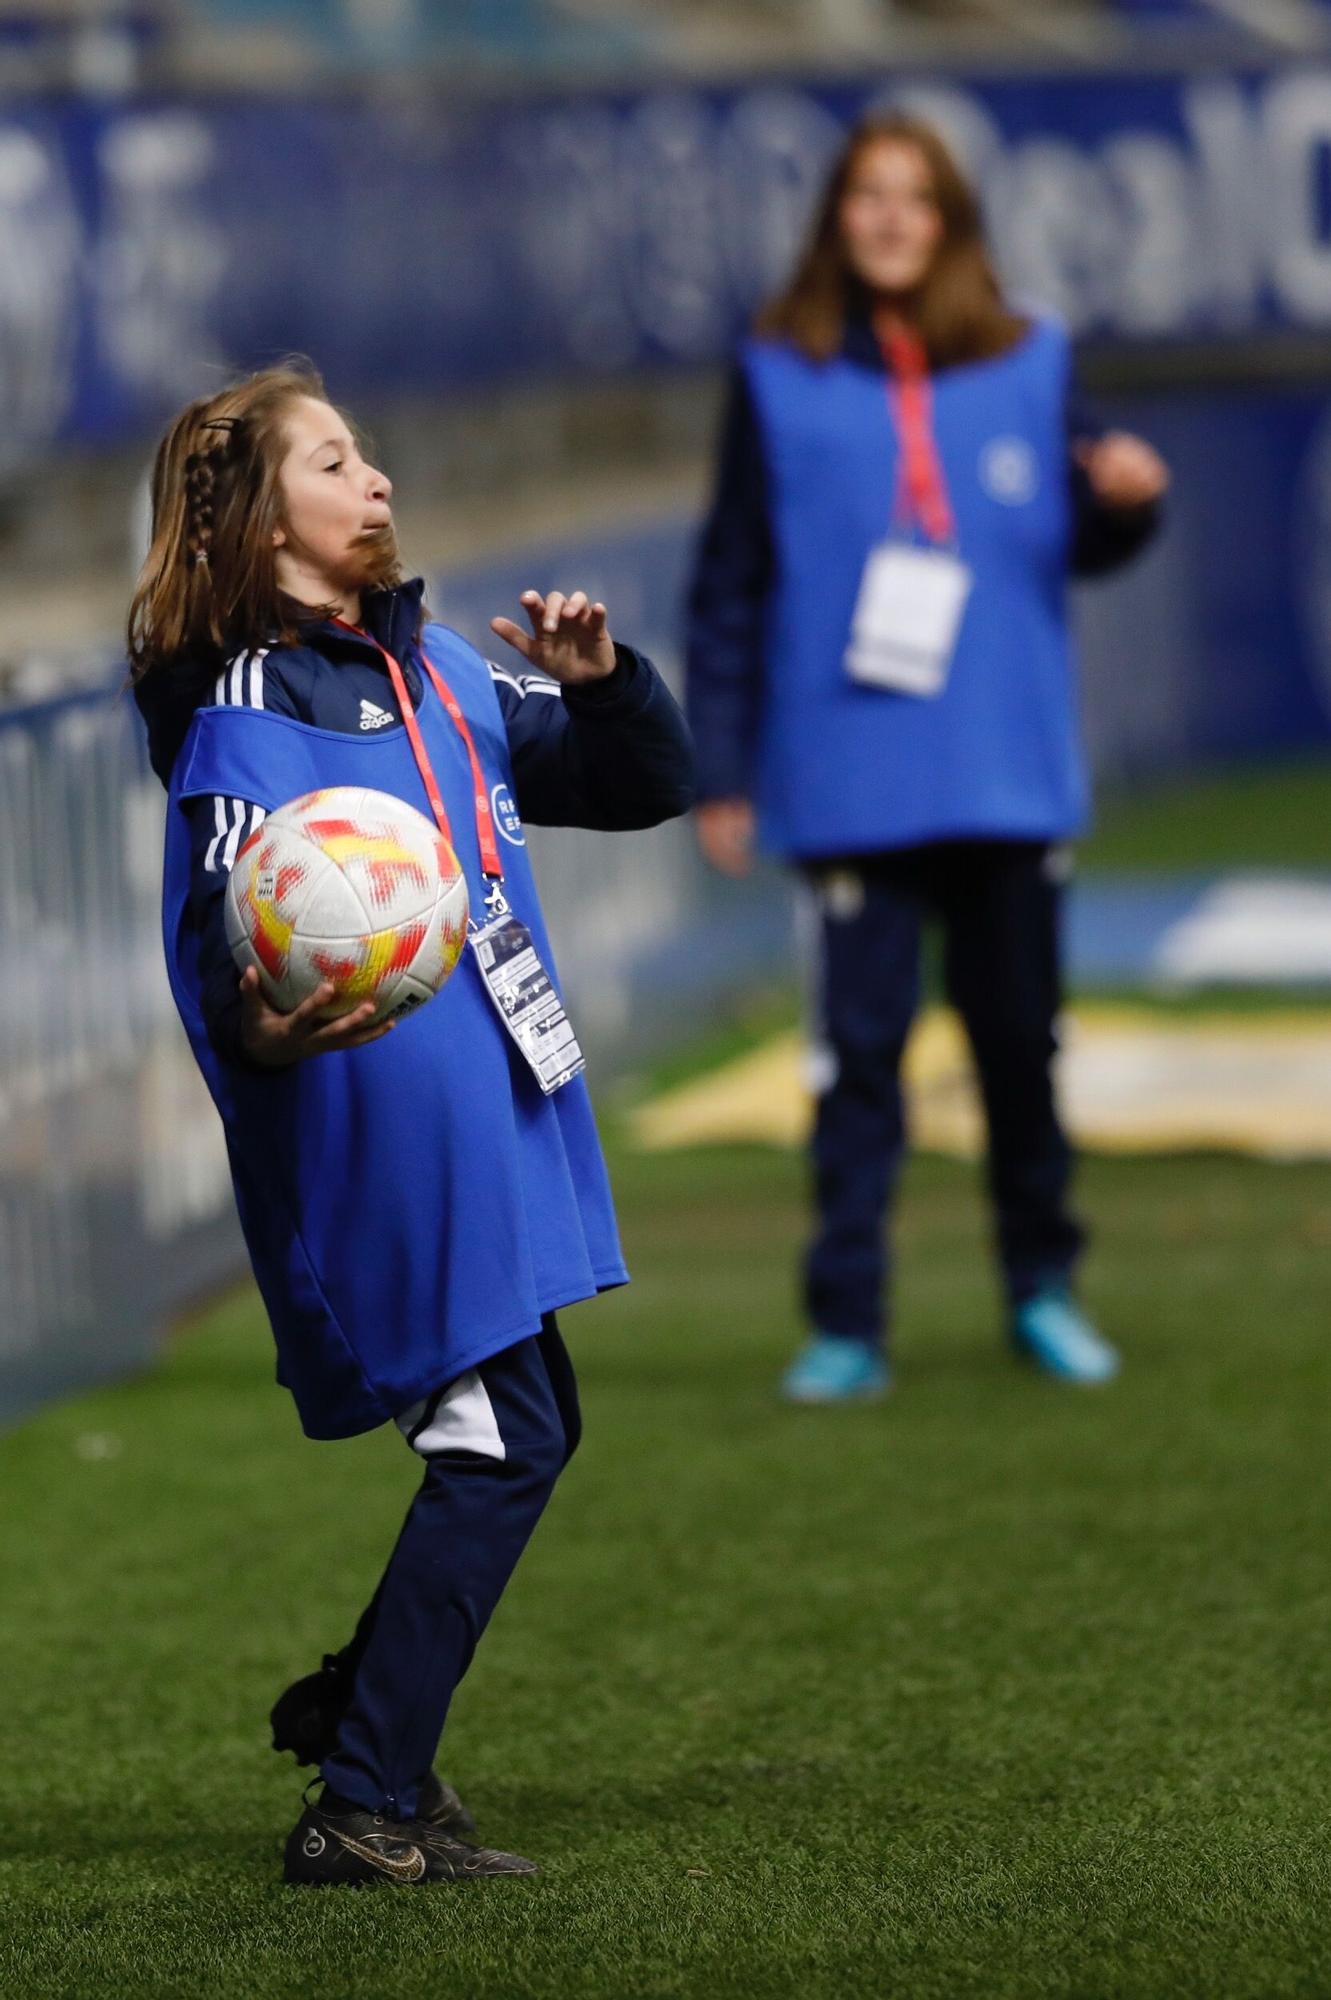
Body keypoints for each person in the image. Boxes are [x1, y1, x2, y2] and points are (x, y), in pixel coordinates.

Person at [130, 362, 694, 1883]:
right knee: (504, 1441)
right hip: (375, 1146)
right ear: (258, 530)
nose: (373, 477)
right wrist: (258, 1018)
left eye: (366, 452)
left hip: (494, 1114)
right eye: (331, 461)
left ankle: (357, 1717)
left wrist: (602, 684)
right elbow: (222, 950)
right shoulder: (243, 709)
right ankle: (365, 1800)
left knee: (532, 1427)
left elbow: (648, 783)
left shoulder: (440, 665)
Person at [685, 112, 1168, 1403]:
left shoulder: (1033, 357)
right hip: (850, 780)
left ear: (951, 220)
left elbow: (1084, 536)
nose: (892, 218)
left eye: (916, 198)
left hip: (1007, 771)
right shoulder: (777, 372)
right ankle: (848, 1318)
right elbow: (730, 580)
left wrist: (1131, 503)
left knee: (1022, 1049)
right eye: (867, 196)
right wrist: (720, 767)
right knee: (856, 1068)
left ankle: (1042, 1287)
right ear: (836, 217)